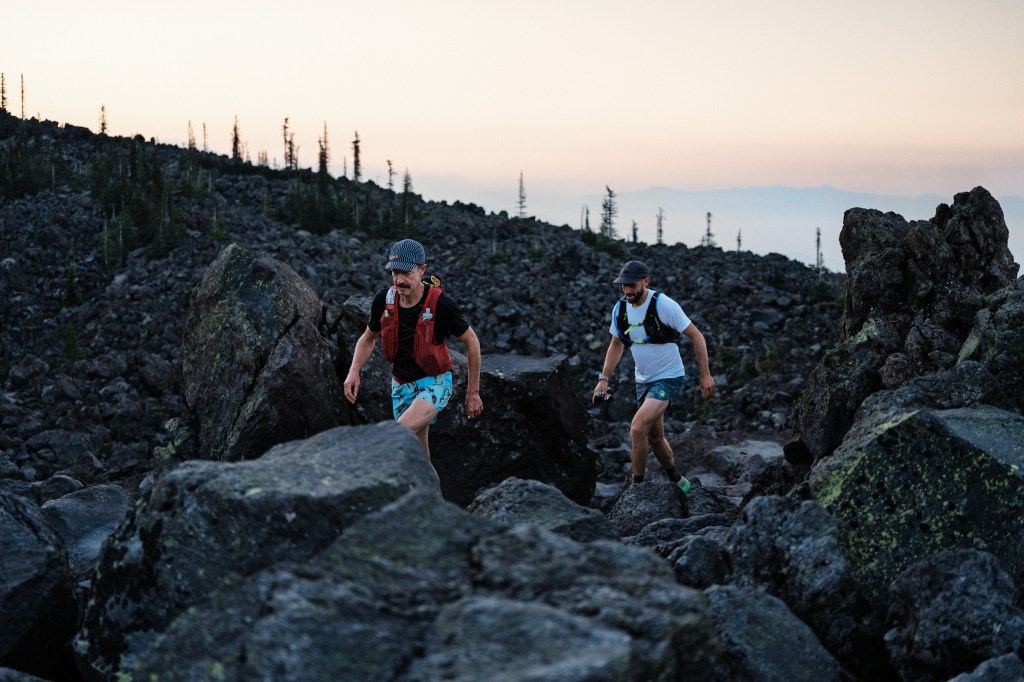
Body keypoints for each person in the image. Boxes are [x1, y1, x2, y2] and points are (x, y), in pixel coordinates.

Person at [344, 239, 483, 476]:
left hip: (434, 384)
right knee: (419, 461)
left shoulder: (441, 305)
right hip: (401, 386)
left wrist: (473, 393)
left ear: (422, 269)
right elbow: (368, 338)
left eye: (406, 273)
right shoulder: (383, 300)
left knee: (396, 437)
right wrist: (354, 370)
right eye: (395, 273)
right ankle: (437, 507)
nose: (399, 280)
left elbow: (472, 343)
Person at [592, 260, 715, 492]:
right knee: (655, 438)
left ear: (645, 281)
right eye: (623, 285)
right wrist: (603, 379)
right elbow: (616, 344)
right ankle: (679, 481)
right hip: (643, 381)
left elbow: (697, 337)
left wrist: (705, 376)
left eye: (631, 285)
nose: (627, 290)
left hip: (669, 377)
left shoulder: (664, 305)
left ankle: (636, 490)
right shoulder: (620, 309)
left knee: (637, 428)